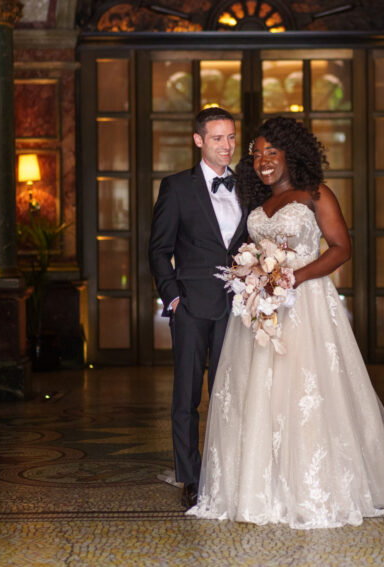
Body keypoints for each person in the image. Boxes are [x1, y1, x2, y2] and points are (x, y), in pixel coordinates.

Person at [187, 117, 384, 529]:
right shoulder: (256, 203)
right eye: (255, 155)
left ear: (292, 153)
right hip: (262, 312)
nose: (262, 161)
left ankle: (311, 486)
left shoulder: (316, 195)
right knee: (258, 397)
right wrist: (253, 278)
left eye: (271, 152)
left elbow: (342, 249)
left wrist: (293, 277)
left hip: (306, 308)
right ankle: (258, 486)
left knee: (305, 393)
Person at [148, 107, 249, 509]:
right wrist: (174, 300)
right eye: (217, 138)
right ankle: (190, 477)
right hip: (191, 307)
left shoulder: (247, 186)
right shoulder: (176, 187)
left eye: (231, 138)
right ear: (198, 140)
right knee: (186, 398)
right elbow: (158, 250)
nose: (227, 146)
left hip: (238, 308)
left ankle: (228, 471)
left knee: (231, 394)